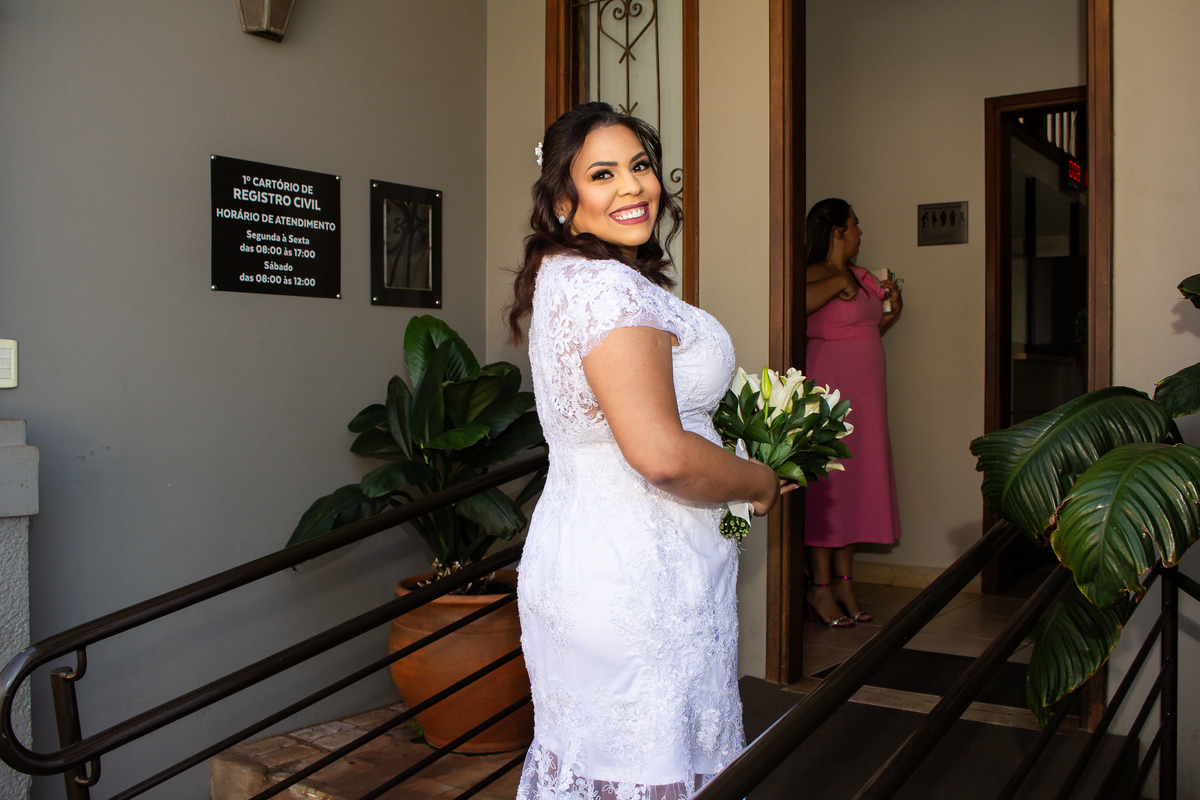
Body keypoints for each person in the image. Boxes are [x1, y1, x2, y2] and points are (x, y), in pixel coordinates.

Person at [507, 102, 793, 800]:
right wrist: (756, 481)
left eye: (639, 166)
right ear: (564, 200)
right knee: (651, 769)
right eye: (602, 174)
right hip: (638, 583)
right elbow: (661, 454)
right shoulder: (609, 290)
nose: (633, 186)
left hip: (590, 557)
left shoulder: (562, 275)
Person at [803, 198, 903, 628]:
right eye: (855, 224)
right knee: (830, 485)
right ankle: (819, 587)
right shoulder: (811, 273)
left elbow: (864, 326)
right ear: (837, 230)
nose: (861, 232)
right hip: (830, 389)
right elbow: (797, 305)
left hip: (867, 396)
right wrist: (837, 281)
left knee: (858, 484)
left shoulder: (861, 276)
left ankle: (845, 583)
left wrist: (892, 309)